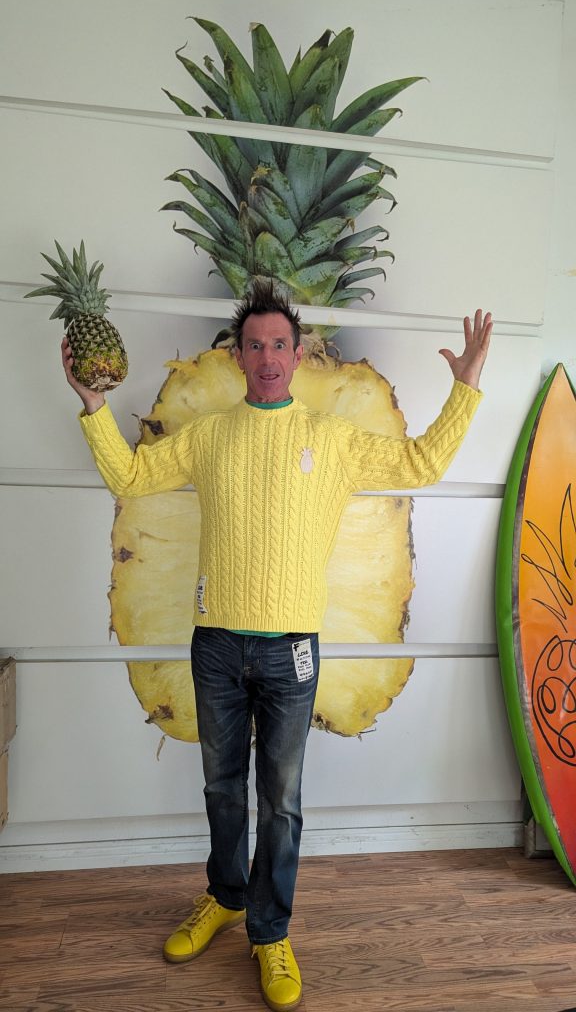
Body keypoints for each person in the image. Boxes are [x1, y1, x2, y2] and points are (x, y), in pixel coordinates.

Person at [61, 280, 492, 1012]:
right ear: (238, 356)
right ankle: (225, 897)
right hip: (216, 646)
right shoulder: (209, 436)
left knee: (282, 802)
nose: (267, 357)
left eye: (279, 345)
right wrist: (94, 403)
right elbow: (130, 474)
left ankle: (271, 930)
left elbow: (421, 464)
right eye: (254, 345)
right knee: (221, 788)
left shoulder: (333, 439)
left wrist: (466, 387)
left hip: (291, 651)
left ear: (298, 355)